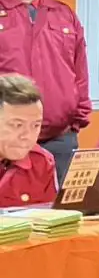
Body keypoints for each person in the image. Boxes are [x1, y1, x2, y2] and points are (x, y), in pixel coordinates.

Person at [0, 0, 90, 174]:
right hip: (6, 138)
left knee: (60, 199)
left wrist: (77, 118)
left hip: (60, 138)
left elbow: (79, 68)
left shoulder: (62, 13)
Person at [0, 72, 57, 207]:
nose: (27, 135)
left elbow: (49, 217)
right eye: (17, 125)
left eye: (35, 125)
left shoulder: (42, 162)